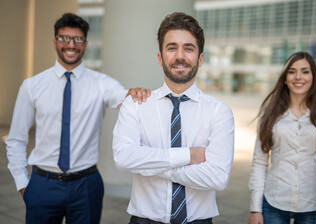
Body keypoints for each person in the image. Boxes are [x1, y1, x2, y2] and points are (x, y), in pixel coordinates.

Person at [5, 13, 150, 224]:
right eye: (64, 38)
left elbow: (123, 96)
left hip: (86, 185)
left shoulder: (102, 84)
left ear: (86, 43)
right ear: (55, 42)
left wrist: (134, 94)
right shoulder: (32, 86)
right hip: (43, 184)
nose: (71, 44)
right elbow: (16, 139)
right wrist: (22, 184)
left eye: (78, 39)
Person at [112, 12, 234, 224]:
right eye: (172, 48)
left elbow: (217, 177)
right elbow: (123, 158)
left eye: (188, 48)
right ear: (160, 57)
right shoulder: (135, 105)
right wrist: (189, 155)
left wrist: (150, 165)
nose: (180, 56)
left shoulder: (219, 112)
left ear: (200, 58)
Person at [248, 51, 316, 224]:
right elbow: (259, 162)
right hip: (274, 202)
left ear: (314, 77)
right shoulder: (270, 114)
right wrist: (255, 208)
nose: (298, 77)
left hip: (313, 206)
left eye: (305, 71)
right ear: (285, 78)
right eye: (292, 71)